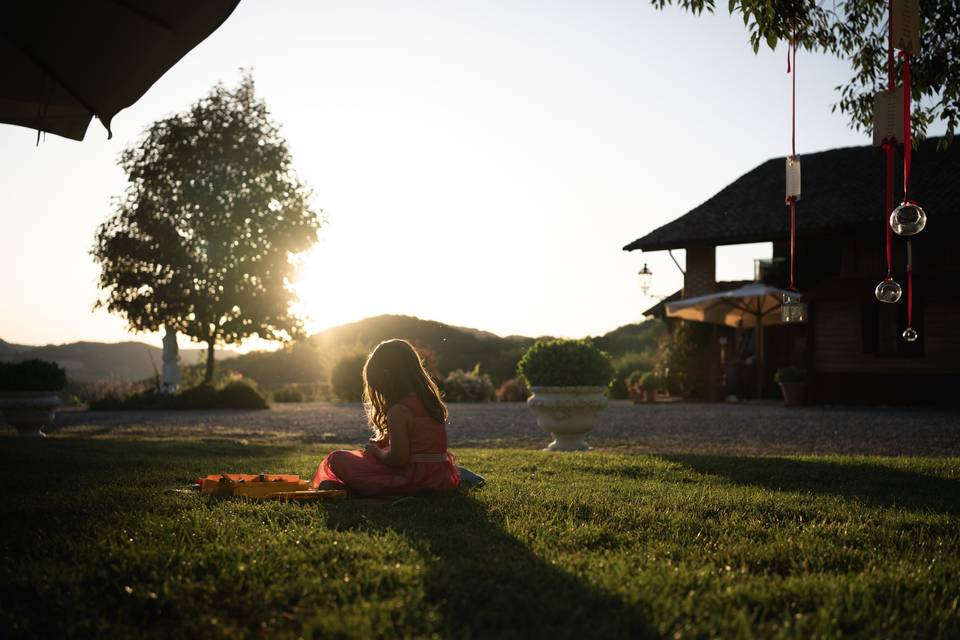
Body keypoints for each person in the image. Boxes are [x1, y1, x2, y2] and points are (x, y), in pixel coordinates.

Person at [311, 339, 463, 496]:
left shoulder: (399, 411)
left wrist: (376, 452)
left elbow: (398, 459)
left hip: (414, 479)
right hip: (439, 476)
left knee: (337, 458)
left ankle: (362, 486)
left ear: (387, 377)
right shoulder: (430, 403)